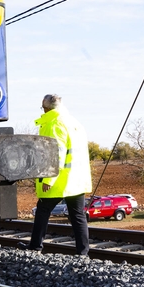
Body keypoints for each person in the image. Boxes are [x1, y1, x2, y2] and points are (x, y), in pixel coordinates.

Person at [25, 94, 92, 255]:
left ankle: (35, 247)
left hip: (60, 181)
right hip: (76, 180)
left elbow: (56, 154)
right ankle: (83, 253)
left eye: (43, 108)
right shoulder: (74, 122)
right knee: (78, 216)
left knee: (42, 210)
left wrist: (49, 178)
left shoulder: (54, 124)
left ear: (46, 108)